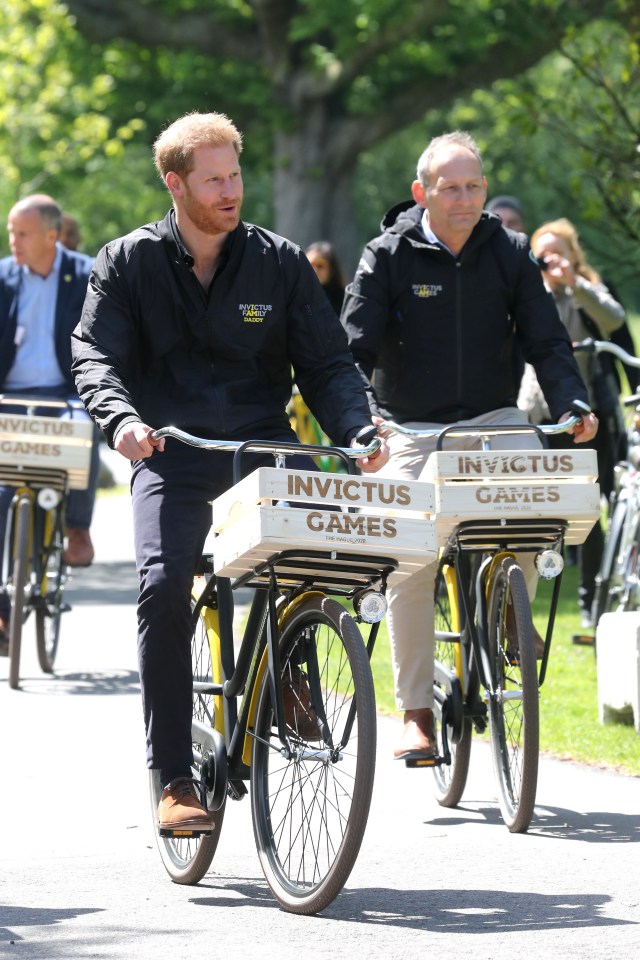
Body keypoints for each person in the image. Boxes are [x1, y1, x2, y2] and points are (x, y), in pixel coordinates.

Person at [70, 111, 389, 833]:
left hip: (262, 447)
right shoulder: (127, 262)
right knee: (160, 588)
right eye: (213, 178)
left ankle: (294, 675)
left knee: (321, 552)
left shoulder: (277, 262)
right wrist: (122, 420)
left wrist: (359, 427)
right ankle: (176, 776)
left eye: (235, 174)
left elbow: (328, 362)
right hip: (170, 452)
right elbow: (95, 355)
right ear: (175, 182)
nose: (229, 189)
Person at [340, 131, 598, 760]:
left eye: (474, 186)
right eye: (450, 187)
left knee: (543, 495)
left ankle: (511, 611)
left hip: (494, 417)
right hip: (408, 427)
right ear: (421, 192)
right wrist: (365, 422)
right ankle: (417, 712)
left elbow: (547, 343)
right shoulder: (387, 255)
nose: (464, 199)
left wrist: (572, 404)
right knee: (409, 553)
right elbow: (350, 355)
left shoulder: (509, 252)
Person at [0, 194, 98, 654]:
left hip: (65, 392)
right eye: (10, 233)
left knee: (84, 427)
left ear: (51, 235)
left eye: (21, 234)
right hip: (9, 394)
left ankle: (77, 527)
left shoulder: (86, 274)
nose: (12, 242)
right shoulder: (3, 276)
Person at [519, 218, 626, 628]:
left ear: (572, 255)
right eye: (543, 256)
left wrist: (574, 283)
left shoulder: (585, 290)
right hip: (537, 413)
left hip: (582, 415)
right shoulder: (531, 293)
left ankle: (589, 598)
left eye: (557, 254)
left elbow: (614, 319)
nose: (551, 264)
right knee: (537, 507)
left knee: (587, 507)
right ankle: (528, 594)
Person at [305, 241, 346, 315]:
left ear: (332, 269)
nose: (314, 270)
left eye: (320, 265)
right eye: (309, 264)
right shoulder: (296, 296)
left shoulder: (344, 301)